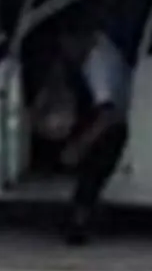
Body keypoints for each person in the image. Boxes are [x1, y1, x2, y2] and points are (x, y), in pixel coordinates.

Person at [57, 17, 133, 244]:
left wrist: (78, 147)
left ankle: (79, 221)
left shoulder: (97, 64)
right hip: (113, 114)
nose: (66, 53)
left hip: (115, 123)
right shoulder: (101, 43)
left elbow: (107, 115)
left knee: (94, 164)